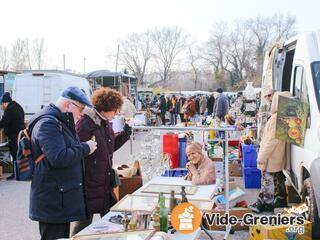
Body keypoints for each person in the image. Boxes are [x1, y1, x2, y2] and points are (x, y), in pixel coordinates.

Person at [28, 86, 97, 240]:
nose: (81, 115)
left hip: (57, 199)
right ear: (68, 105)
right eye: (80, 110)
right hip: (52, 201)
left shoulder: (58, 121)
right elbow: (58, 157)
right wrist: (86, 148)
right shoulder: (48, 123)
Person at [72, 87, 132, 235]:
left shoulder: (104, 122)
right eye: (115, 110)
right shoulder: (86, 123)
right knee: (85, 220)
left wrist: (124, 134)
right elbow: (77, 152)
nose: (117, 113)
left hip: (104, 180)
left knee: (112, 217)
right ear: (105, 108)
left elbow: (108, 148)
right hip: (89, 181)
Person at [248, 92, 291, 213]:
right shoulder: (285, 116)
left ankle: (267, 204)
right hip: (277, 154)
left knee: (267, 179)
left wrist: (262, 156)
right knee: (275, 178)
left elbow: (271, 140)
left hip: (271, 155)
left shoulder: (276, 119)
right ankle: (273, 201)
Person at [0, 92, 25, 180]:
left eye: (2, 104)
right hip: (21, 135)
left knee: (15, 155)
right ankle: (21, 173)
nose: (2, 106)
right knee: (20, 154)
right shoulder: (18, 106)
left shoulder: (9, 109)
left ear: (6, 102)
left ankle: (16, 174)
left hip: (14, 136)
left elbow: (4, 122)